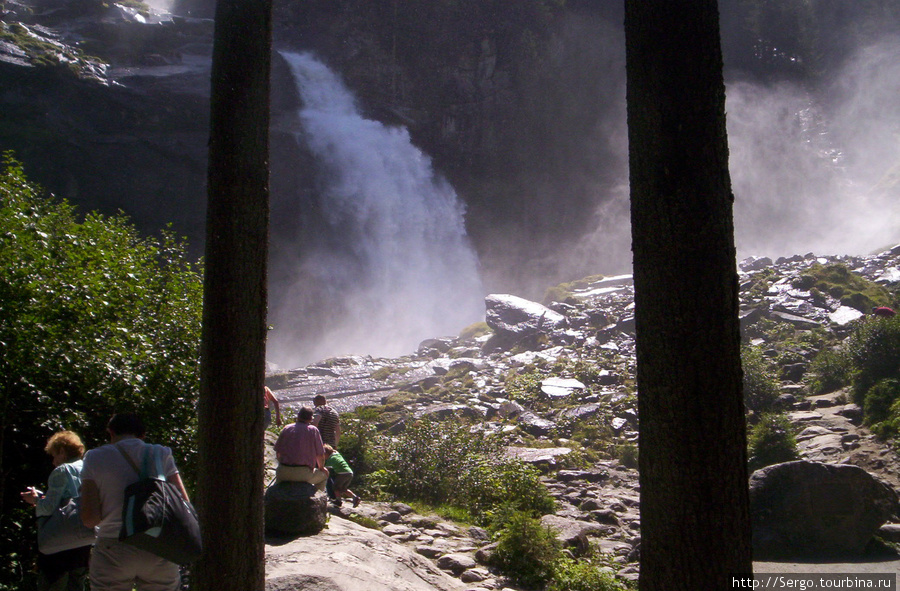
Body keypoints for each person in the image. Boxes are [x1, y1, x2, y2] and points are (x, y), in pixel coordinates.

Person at [80, 413, 190, 591]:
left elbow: (89, 518)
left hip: (113, 545)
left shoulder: (94, 457)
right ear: (143, 434)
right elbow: (183, 502)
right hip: (158, 544)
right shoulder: (161, 453)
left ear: (111, 432)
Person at [21, 430, 91, 591]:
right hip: (83, 538)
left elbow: (49, 508)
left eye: (54, 455)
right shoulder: (88, 468)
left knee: (52, 583)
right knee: (76, 583)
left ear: (62, 451)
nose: (53, 462)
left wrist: (35, 500)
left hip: (60, 540)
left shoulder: (62, 470)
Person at [273, 406, 328, 491]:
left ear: (298, 416)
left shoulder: (287, 428)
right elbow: (320, 455)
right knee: (323, 476)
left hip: (283, 472)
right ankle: (318, 499)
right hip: (303, 473)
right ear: (310, 419)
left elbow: (278, 453)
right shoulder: (313, 430)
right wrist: (321, 468)